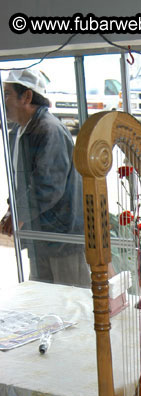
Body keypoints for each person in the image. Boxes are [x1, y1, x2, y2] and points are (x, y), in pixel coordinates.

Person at [0, 68, 90, 287]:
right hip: (39, 235)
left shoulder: (49, 130)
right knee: (43, 303)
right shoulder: (18, 132)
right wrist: (13, 210)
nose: (3, 101)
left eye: (8, 94)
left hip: (62, 238)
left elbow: (48, 187)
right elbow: (19, 182)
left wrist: (19, 213)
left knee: (73, 301)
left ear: (27, 96)